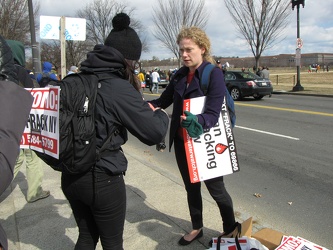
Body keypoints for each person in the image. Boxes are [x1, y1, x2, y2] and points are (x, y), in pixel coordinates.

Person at [61, 13, 169, 250]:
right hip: (102, 179)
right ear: (129, 60)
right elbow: (152, 133)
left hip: (70, 175)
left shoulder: (75, 79)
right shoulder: (117, 87)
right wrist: (161, 114)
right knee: (112, 244)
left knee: (87, 237)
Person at [148, 26, 237, 246]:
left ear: (202, 49)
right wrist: (139, 107)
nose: (184, 55)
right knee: (191, 187)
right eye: (181, 51)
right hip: (181, 142)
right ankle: (197, 227)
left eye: (189, 50)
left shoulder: (212, 74)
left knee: (217, 190)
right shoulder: (179, 75)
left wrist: (196, 121)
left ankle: (230, 228)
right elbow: (161, 102)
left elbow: (213, 114)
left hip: (205, 142)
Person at [6, 39, 51, 203]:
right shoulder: (21, 73)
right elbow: (35, 97)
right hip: (26, 123)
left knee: (11, 158)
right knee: (33, 157)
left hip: (7, 125)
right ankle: (34, 192)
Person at [0, 34, 34, 250]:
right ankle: (34, 191)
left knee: (19, 160)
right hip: (19, 131)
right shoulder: (22, 76)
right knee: (30, 161)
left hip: (15, 132)